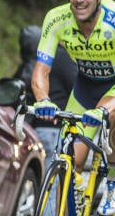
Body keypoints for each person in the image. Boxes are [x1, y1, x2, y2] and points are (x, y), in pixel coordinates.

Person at [32, 0, 115, 216]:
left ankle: (114, 181)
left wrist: (105, 109)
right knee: (69, 159)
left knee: (109, 114)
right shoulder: (56, 19)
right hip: (85, 84)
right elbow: (41, 69)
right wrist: (43, 100)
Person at [13, 24, 77, 152]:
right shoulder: (61, 56)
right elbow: (76, 86)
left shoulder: (27, 67)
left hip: (33, 130)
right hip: (56, 128)